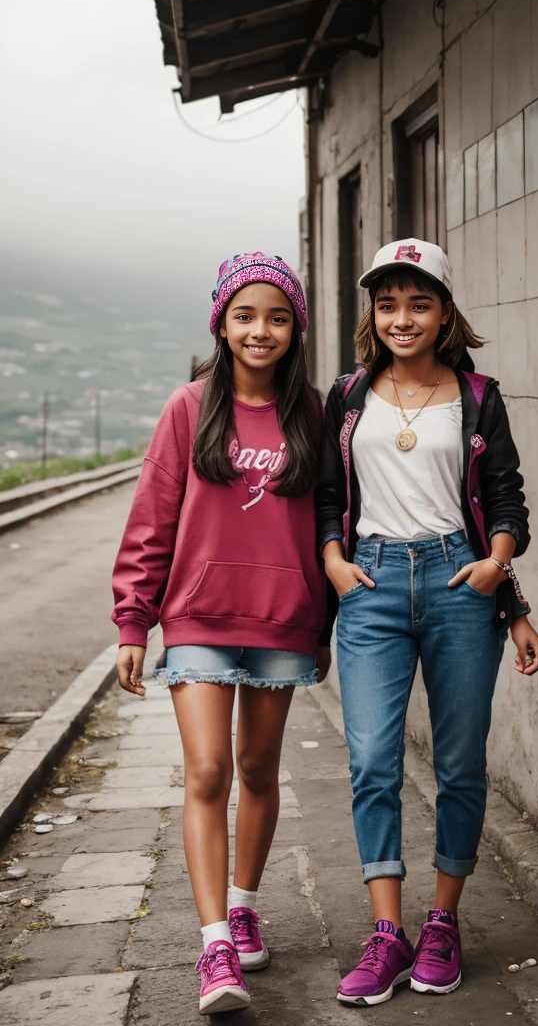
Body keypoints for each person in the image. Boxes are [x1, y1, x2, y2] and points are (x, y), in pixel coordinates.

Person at [316, 238, 538, 1007]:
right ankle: (387, 934)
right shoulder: (348, 397)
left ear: (445, 311)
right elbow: (325, 496)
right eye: (388, 304)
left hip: (458, 584)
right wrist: (333, 561)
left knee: (459, 764)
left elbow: (505, 498)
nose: (402, 318)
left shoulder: (479, 396)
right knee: (373, 761)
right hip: (371, 587)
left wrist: (498, 571)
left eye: (419, 303)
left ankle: (442, 921)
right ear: (373, 315)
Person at [112, 253, 331, 1015]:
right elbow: (152, 519)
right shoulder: (189, 407)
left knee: (259, 770)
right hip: (201, 618)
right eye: (245, 315)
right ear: (221, 322)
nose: (260, 330)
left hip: (283, 621)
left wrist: (325, 623)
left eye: (276, 315)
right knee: (207, 771)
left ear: (295, 324)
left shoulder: (312, 412)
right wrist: (133, 619)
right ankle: (214, 947)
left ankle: (243, 905)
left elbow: (332, 523)